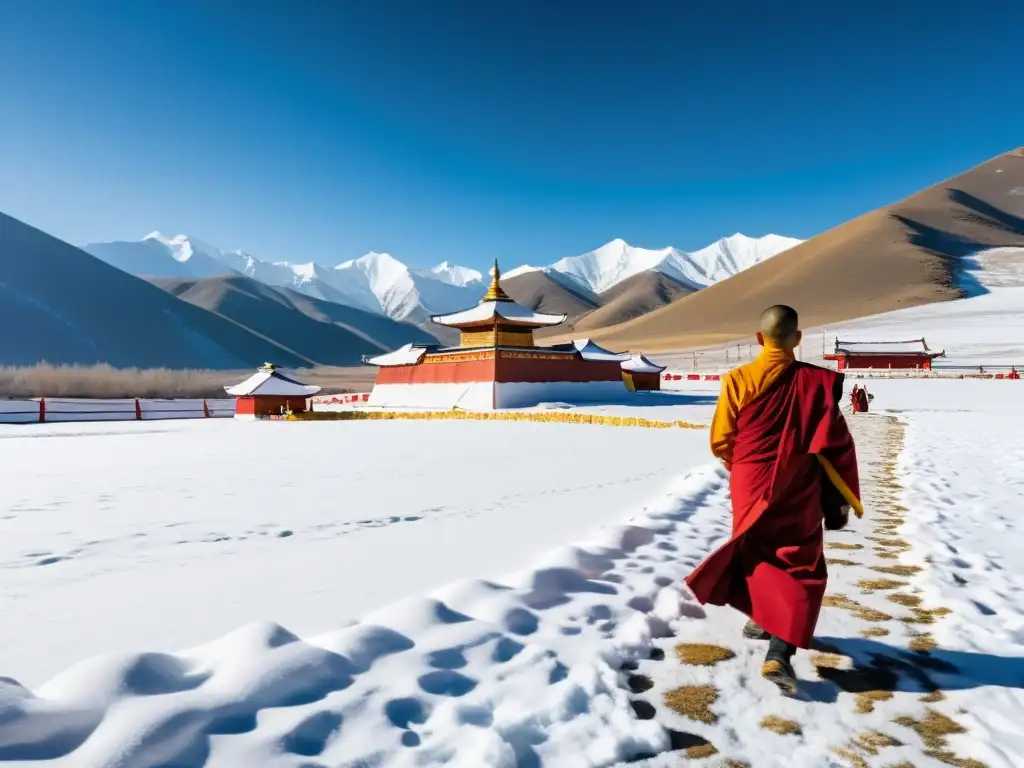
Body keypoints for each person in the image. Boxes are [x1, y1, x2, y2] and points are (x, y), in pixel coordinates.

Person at [685, 305, 862, 696]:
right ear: (797, 339)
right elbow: (835, 442)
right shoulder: (815, 383)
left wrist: (746, 467)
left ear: (759, 338)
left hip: (748, 480)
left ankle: (767, 623)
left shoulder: (737, 379)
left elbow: (720, 440)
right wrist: (842, 491)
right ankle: (778, 650)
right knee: (800, 559)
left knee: (757, 550)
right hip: (797, 484)